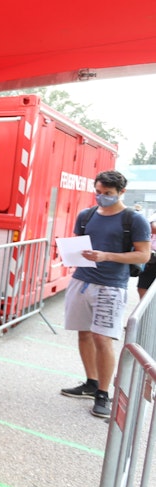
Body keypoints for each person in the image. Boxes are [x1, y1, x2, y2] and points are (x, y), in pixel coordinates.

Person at [60, 170, 151, 419]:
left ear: (122, 192)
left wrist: (106, 256)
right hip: (82, 281)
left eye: (108, 194)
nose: (101, 198)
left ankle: (103, 393)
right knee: (84, 334)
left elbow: (143, 255)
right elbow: (80, 244)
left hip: (111, 285)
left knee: (103, 339)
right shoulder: (86, 215)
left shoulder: (134, 220)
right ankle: (90, 382)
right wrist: (68, 253)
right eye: (98, 193)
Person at [137, 213, 156, 300]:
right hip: (151, 257)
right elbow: (153, 228)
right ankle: (146, 312)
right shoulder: (154, 216)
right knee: (143, 287)